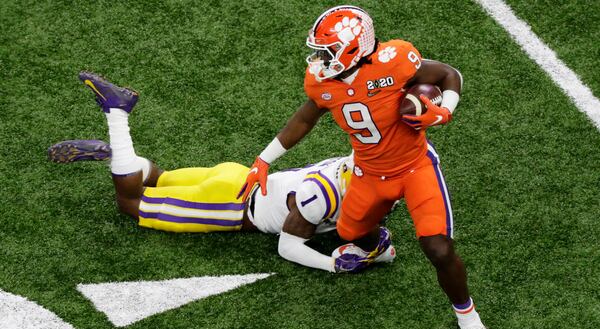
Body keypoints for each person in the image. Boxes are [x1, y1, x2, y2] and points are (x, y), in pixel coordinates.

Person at [236, 5, 491, 329]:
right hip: (368, 172)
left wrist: (444, 111)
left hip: (415, 167)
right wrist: (264, 159)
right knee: (350, 233)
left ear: (352, 48)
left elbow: (447, 75)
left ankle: (469, 321)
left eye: (327, 51)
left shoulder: (395, 60)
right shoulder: (321, 83)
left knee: (438, 248)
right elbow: (305, 118)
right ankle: (379, 244)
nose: (319, 60)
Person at [48, 71, 395, 273]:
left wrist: (377, 249)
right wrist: (330, 265)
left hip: (238, 176)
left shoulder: (347, 170)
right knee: (130, 203)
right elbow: (288, 247)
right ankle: (117, 115)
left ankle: (121, 157)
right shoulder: (321, 197)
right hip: (231, 205)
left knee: (159, 179)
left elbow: (370, 230)